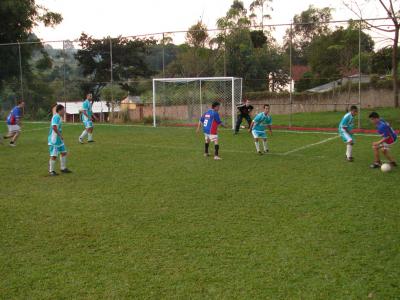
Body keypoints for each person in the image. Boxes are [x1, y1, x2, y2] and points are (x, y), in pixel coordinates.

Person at [48, 104, 72, 176]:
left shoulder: (59, 117)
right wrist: (60, 135)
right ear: (60, 110)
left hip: (59, 139)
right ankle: (51, 171)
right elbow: (54, 127)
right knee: (54, 155)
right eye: (63, 110)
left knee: (63, 152)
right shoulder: (56, 117)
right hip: (54, 139)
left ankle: (63, 168)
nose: (64, 111)